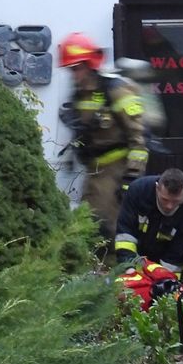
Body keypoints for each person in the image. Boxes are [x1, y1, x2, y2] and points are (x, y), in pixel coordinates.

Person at [58, 31, 150, 241]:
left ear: (89, 64)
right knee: (89, 224)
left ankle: (118, 262)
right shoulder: (80, 93)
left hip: (116, 168)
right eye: (71, 69)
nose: (74, 75)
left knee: (109, 227)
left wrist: (131, 178)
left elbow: (138, 137)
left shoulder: (115, 90)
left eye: (77, 68)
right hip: (94, 169)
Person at [114, 167, 183, 279]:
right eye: (165, 199)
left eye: (175, 201)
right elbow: (125, 234)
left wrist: (163, 281)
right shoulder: (138, 191)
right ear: (157, 188)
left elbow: (174, 260)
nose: (169, 206)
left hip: (173, 261)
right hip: (137, 255)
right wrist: (129, 267)